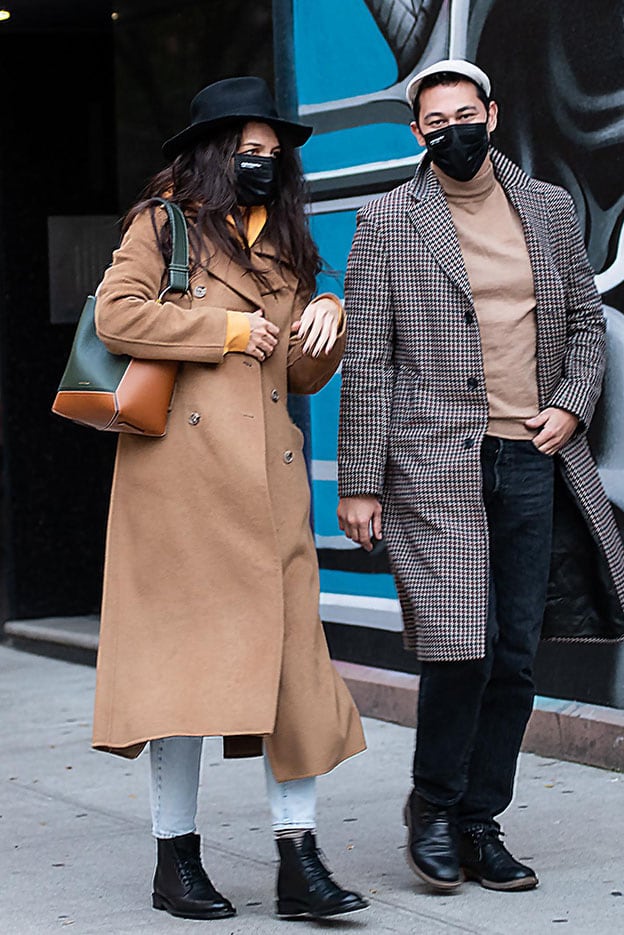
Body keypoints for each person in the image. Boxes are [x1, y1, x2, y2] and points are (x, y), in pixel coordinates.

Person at [337, 59, 624, 894]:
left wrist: (574, 404)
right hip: (433, 464)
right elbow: (367, 361)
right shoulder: (387, 221)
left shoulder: (547, 209)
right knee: (457, 647)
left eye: (463, 115)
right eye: (434, 123)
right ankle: (435, 808)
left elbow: (585, 322)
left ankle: (481, 820)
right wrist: (359, 482)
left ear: (493, 112)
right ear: (417, 134)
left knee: (513, 653)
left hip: (531, 459)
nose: (452, 132)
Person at [91, 75, 369, 922]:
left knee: (296, 675)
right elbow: (115, 316)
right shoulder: (161, 224)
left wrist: (329, 317)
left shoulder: (288, 242)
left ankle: (300, 860)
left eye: (271, 155)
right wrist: (227, 330)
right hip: (180, 489)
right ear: (213, 153)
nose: (261, 166)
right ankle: (176, 861)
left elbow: (296, 374)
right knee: (180, 680)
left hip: (271, 489)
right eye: (247, 152)